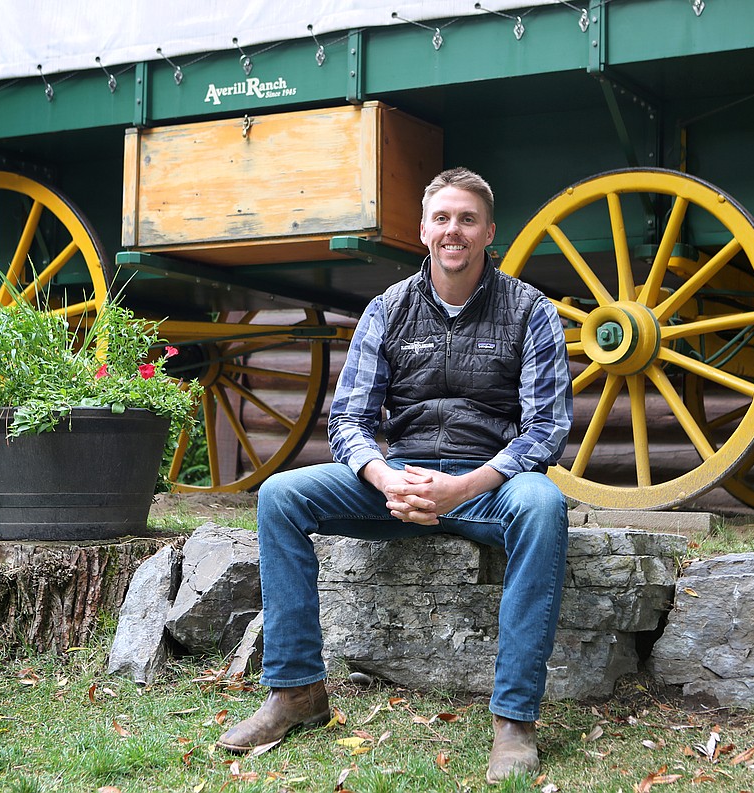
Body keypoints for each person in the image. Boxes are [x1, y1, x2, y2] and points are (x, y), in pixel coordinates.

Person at [217, 167, 573, 784]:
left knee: (543, 505)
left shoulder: (529, 311)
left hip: (488, 487)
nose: (453, 230)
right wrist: (385, 478)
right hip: (400, 482)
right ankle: (297, 692)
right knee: (279, 494)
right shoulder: (389, 309)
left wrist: (465, 485)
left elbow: (546, 428)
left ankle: (514, 721)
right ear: (423, 230)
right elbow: (349, 419)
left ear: (490, 232)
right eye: (442, 218)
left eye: (467, 219)